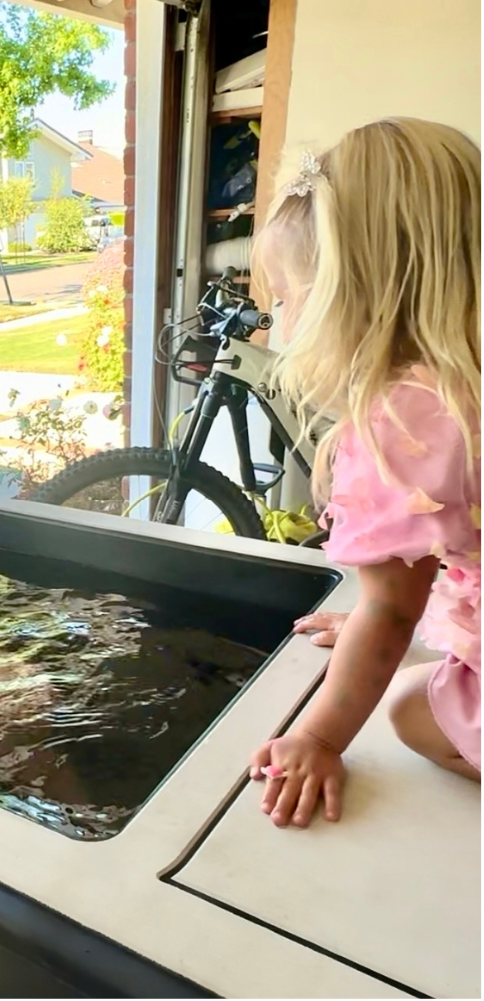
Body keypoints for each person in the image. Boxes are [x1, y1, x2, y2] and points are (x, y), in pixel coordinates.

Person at [248, 118, 481, 828]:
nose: (278, 324)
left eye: (285, 297)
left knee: (412, 707)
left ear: (351, 289)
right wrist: (383, 612)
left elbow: (393, 607)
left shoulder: (406, 417)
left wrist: (316, 737)